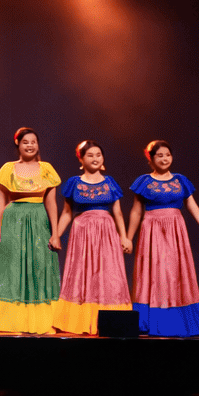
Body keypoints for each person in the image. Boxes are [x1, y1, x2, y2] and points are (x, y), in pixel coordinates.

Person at [126, 140, 199, 337]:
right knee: (154, 273)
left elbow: (192, 206)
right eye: (159, 155)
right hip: (152, 230)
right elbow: (136, 211)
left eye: (167, 155)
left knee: (176, 273)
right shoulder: (144, 181)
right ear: (151, 158)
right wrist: (128, 238)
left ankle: (179, 319)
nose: (165, 159)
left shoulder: (180, 180)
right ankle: (150, 320)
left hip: (175, 231)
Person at [0, 127, 62, 333]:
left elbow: (52, 204)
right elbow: (0, 201)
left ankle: (42, 322)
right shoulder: (8, 168)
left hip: (38, 220)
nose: (30, 145)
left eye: (33, 141)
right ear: (18, 144)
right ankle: (10, 321)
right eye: (25, 141)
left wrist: (55, 233)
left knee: (40, 266)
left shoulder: (46, 168)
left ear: (38, 145)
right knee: (12, 268)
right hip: (13, 220)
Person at [51, 140, 133, 335]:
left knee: (109, 274)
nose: (95, 158)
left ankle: (110, 321)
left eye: (98, 155)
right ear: (81, 159)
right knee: (82, 273)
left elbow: (118, 213)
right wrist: (56, 235)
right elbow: (67, 213)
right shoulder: (73, 183)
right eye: (90, 155)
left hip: (107, 231)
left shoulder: (110, 182)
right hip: (83, 232)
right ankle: (79, 322)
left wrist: (125, 237)